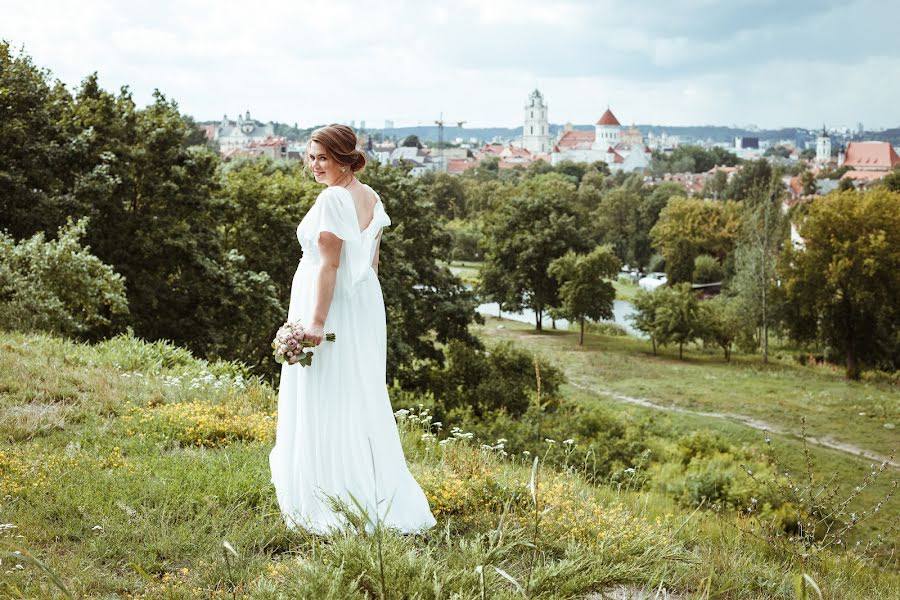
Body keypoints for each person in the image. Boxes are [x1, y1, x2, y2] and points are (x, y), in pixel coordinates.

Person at [269, 124, 436, 535]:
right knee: (356, 391)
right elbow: (372, 267)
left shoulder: (333, 199)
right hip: (360, 304)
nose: (314, 165)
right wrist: (360, 315)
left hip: (330, 306)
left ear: (345, 157)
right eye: (310, 157)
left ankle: (327, 489)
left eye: (323, 157)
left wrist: (317, 323)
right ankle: (361, 486)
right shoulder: (370, 196)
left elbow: (330, 264)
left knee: (327, 391)